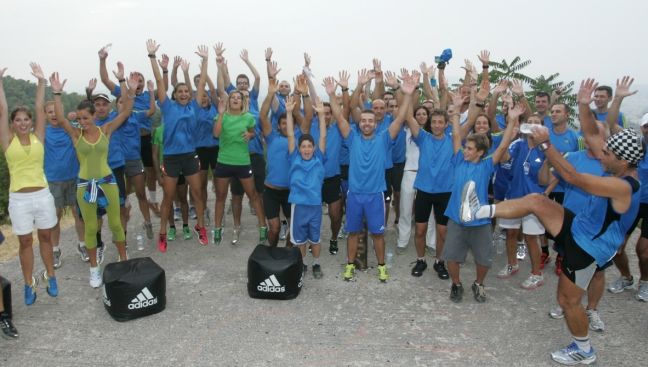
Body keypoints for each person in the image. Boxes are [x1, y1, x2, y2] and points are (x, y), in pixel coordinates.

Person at [460, 78, 643, 365]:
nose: (600, 152)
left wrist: (545, 144)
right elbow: (591, 133)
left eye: (607, 153)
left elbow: (572, 177)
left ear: (622, 160)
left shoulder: (624, 187)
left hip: (589, 247)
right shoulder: (619, 167)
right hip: (581, 227)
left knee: (567, 301)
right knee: (537, 200)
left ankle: (584, 349)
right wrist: (584, 104)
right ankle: (478, 211)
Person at [438, 70, 522, 303]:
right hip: (456, 218)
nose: (466, 151)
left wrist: (513, 119)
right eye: (466, 148)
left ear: (481, 152)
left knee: (483, 259)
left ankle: (479, 283)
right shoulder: (458, 159)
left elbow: (504, 142)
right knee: (452, 257)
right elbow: (456, 136)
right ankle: (456, 284)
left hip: (481, 221)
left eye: (470, 149)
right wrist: (455, 111)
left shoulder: (487, 165)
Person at [49, 70, 135, 287]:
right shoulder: (76, 135)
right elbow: (60, 118)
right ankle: (94, 269)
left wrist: (129, 90)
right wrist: (57, 94)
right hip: (85, 186)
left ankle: (124, 260)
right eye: (78, 119)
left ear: (94, 116)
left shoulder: (106, 129)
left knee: (116, 223)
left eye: (85, 118)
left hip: (108, 182)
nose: (82, 122)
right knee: (90, 227)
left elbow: (125, 113)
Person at [325, 69, 410, 282]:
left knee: (378, 234)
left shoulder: (384, 139)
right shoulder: (351, 138)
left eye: (370, 121)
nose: (366, 124)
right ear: (359, 122)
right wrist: (333, 94)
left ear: (375, 123)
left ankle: (381, 266)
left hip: (375, 195)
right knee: (353, 233)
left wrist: (406, 93)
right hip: (354, 194)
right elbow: (339, 115)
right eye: (363, 121)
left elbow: (400, 118)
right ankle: (350, 265)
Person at [0, 64, 58, 305]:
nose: (23, 123)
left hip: (42, 195)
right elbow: (2, 109)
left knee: (45, 236)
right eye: (18, 120)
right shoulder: (7, 142)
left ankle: (50, 276)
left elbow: (39, 109)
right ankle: (28, 283)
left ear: (31, 122)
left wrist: (42, 82)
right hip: (19, 199)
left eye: (26, 120)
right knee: (25, 241)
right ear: (12, 123)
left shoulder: (39, 138)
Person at [147, 40, 209, 251]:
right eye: (180, 91)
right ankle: (163, 232)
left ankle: (200, 227)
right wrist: (153, 57)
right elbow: (158, 79)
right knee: (169, 196)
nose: (184, 93)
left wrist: (205, 61)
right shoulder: (167, 107)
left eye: (186, 91)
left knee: (198, 193)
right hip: (172, 158)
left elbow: (200, 86)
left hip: (190, 155)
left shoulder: (194, 107)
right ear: (174, 95)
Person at [212, 45, 268, 245]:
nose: (236, 97)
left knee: (254, 194)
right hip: (224, 162)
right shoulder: (224, 115)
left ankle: (263, 226)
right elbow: (216, 134)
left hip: (245, 160)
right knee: (223, 196)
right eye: (233, 96)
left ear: (244, 99)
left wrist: (251, 134)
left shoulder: (248, 115)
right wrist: (220, 66)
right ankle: (218, 228)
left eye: (239, 96)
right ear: (229, 99)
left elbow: (255, 131)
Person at [286, 96, 327, 278]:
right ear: (299, 148)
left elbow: (323, 135)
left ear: (314, 147)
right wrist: (288, 113)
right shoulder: (294, 158)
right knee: (300, 239)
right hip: (299, 206)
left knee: (315, 238)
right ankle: (302, 264)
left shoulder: (319, 160)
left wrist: (321, 116)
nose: (307, 149)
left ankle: (316, 264)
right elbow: (289, 135)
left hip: (315, 206)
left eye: (310, 146)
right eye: (303, 146)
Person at [44, 99, 85, 267]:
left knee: (78, 214)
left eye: (57, 111)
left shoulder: (71, 129)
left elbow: (88, 122)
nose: (54, 114)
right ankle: (55, 250)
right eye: (50, 111)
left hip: (74, 177)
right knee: (55, 217)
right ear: (45, 115)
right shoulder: (43, 132)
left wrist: (74, 118)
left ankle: (82, 245)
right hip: (53, 180)